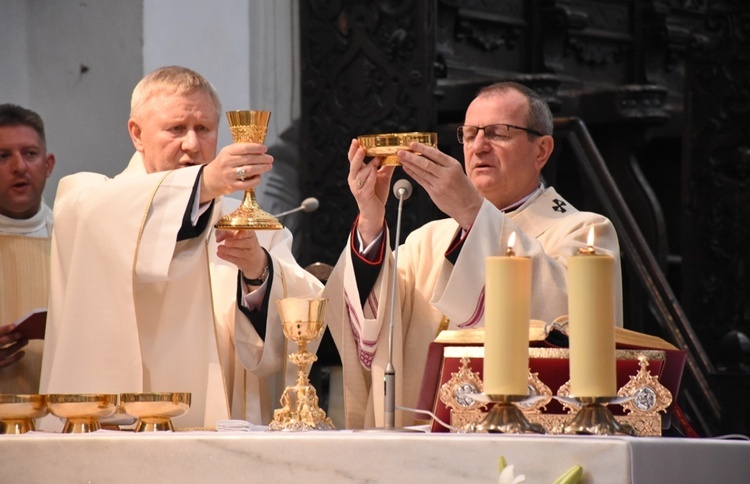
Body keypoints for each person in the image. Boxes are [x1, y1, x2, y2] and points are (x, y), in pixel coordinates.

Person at [322, 81, 623, 428]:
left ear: (541, 150)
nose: (479, 146)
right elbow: (368, 329)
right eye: (469, 134)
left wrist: (471, 211)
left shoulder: (584, 232)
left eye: (498, 133)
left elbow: (569, 329)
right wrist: (372, 222)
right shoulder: (427, 241)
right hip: (423, 440)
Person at [39, 66, 323, 430]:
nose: (192, 143)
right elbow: (104, 215)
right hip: (114, 430)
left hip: (215, 431)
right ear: (137, 134)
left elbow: (300, 319)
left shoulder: (248, 225)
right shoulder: (84, 197)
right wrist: (204, 182)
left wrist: (257, 272)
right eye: (176, 129)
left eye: (203, 129)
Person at [0, 104, 56, 394]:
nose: (19, 167)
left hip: (60, 417)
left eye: (30, 154)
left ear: (48, 165)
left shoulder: (74, 240)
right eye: (3, 156)